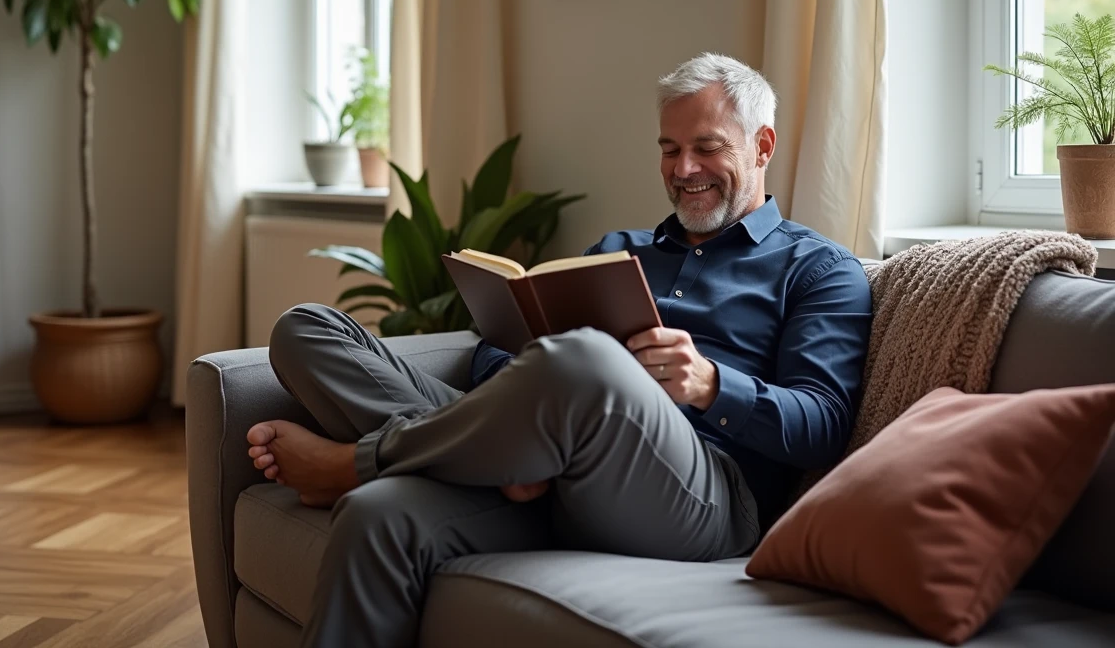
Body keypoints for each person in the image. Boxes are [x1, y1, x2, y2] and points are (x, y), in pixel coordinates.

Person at [247, 52, 873, 647]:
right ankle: (506, 462)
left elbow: (822, 424)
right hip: (547, 469)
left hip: (701, 494)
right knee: (311, 348)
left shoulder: (818, 270)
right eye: (669, 150)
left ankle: (356, 462)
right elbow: (494, 353)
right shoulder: (619, 250)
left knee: (585, 361)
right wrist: (526, 374)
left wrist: (709, 385)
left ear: (762, 145)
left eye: (707, 148)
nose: (683, 170)